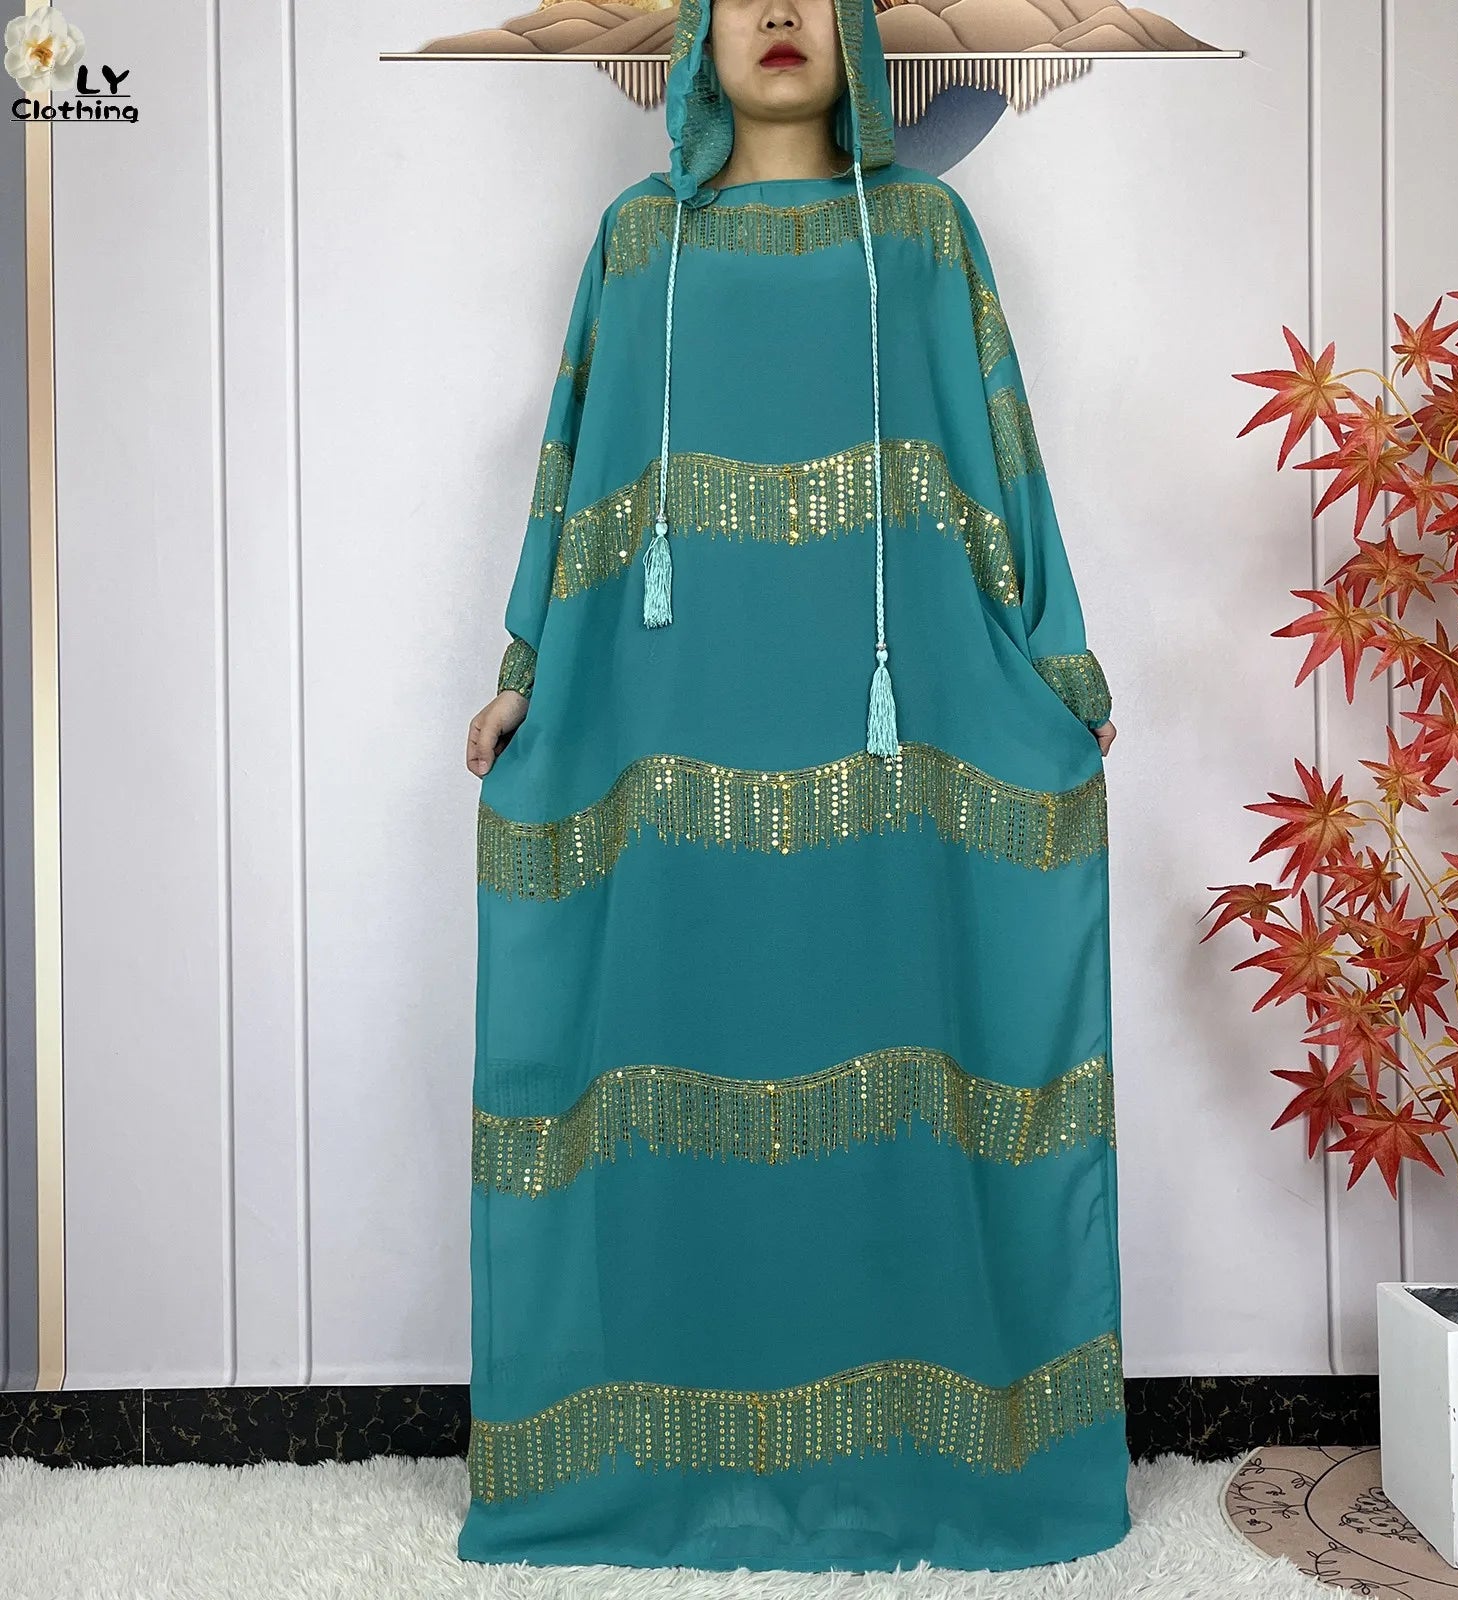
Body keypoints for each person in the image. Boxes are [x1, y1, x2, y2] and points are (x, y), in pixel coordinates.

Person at [458, 0, 1128, 1572]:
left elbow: (1001, 459)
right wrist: (524, 668)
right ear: (695, 34)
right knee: (670, 1027)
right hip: (669, 718)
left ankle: (924, 1463)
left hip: (893, 742)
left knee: (897, 1026)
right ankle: (653, 1466)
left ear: (864, 35)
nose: (777, 14)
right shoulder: (637, 244)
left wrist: (1058, 665)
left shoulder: (928, 235)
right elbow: (576, 468)